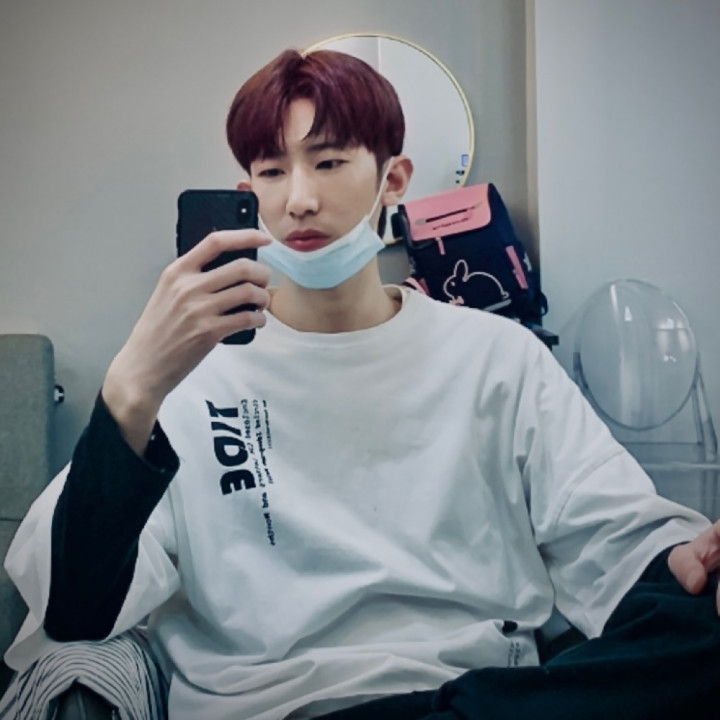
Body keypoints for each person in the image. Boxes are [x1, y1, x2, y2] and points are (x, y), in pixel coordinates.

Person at [3, 48, 720, 720]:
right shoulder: (190, 380)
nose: (300, 200)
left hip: (477, 694)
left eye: (329, 162)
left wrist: (680, 563)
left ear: (394, 179)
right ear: (247, 194)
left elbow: (608, 526)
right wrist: (132, 388)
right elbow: (74, 607)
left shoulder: (498, 356)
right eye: (272, 172)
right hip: (278, 705)